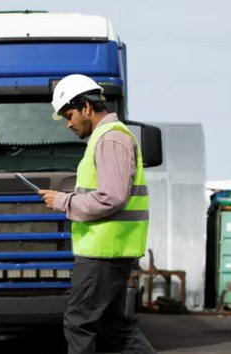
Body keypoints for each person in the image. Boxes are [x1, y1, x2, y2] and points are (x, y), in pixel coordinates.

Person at [38, 74, 156, 354]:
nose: (68, 124)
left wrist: (63, 201)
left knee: (78, 322)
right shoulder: (108, 138)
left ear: (86, 108)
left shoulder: (111, 139)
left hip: (104, 252)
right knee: (111, 325)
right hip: (108, 249)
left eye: (69, 115)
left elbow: (112, 197)